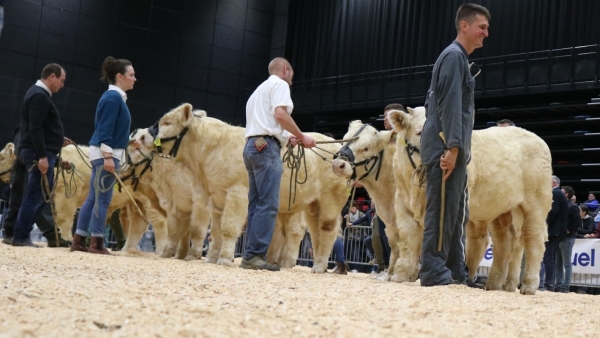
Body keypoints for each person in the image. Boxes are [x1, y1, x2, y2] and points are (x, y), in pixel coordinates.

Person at [418, 4, 490, 287]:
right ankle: (433, 270)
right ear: (465, 26)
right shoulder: (453, 57)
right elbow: (450, 105)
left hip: (449, 145)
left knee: (456, 209)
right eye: (482, 27)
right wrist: (453, 147)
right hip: (443, 146)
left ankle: (453, 268)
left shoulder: (457, 58)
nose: (486, 33)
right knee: (442, 207)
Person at [240, 57, 316, 271]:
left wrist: (285, 137)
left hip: (252, 146)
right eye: (291, 73)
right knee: (268, 204)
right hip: (266, 149)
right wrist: (301, 136)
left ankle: (250, 255)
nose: (292, 78)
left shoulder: (258, 91)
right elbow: (280, 114)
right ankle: (255, 256)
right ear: (285, 69)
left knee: (256, 204)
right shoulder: (280, 84)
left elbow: (269, 122)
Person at [70, 56, 134, 255]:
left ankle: (79, 239)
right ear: (120, 76)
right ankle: (96, 242)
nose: (135, 79)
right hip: (106, 153)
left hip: (102, 152)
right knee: (103, 199)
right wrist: (108, 156)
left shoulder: (113, 97)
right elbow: (105, 128)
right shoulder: (114, 98)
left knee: (93, 197)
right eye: (131, 75)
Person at [11, 64, 66, 247]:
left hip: (38, 150)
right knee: (36, 196)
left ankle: (20, 232)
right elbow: (35, 128)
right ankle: (20, 235)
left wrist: (57, 138)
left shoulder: (37, 94)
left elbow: (39, 126)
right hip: (38, 153)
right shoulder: (39, 96)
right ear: (52, 77)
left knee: (40, 196)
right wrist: (42, 156)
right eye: (61, 80)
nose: (62, 84)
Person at [2, 126, 71, 247]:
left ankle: (52, 236)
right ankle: (11, 234)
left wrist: (57, 161)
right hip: (25, 172)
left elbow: (40, 152)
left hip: (32, 170)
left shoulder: (37, 132)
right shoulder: (26, 130)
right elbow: (22, 152)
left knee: (38, 204)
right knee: (25, 203)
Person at [539, 175, 568, 291]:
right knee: (551, 258)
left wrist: (545, 222)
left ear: (554, 184)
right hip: (558, 230)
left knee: (548, 258)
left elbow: (554, 211)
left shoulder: (555, 193)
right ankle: (550, 283)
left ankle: (548, 284)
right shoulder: (560, 194)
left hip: (554, 230)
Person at [555, 186, 580, 293]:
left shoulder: (573, 206)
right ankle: (559, 284)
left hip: (567, 238)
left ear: (566, 195)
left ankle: (566, 285)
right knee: (558, 264)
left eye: (562, 192)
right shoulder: (560, 205)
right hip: (559, 237)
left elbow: (577, 222)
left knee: (566, 263)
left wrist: (569, 230)